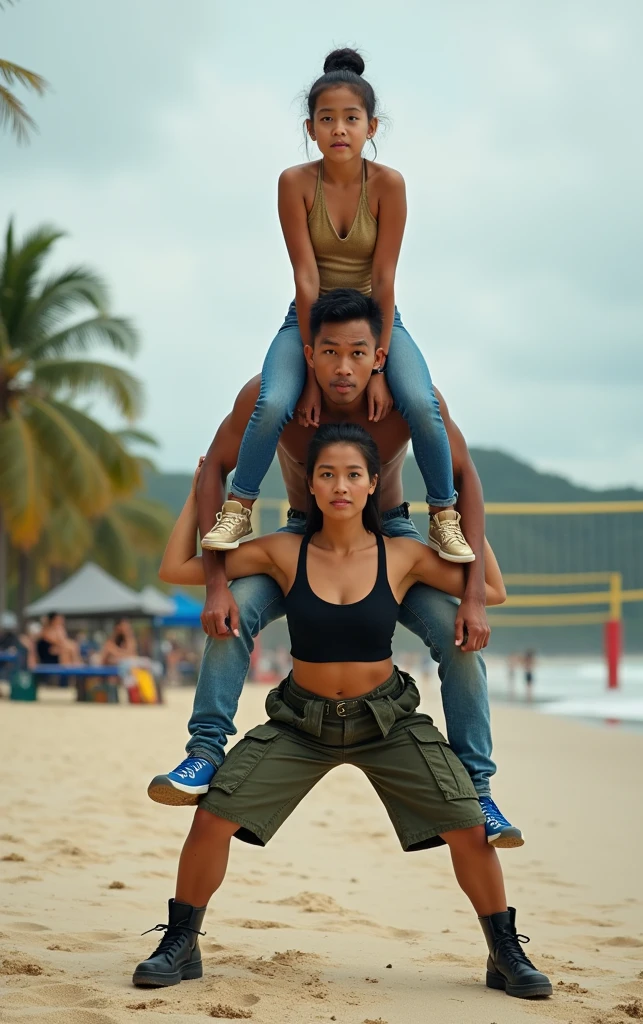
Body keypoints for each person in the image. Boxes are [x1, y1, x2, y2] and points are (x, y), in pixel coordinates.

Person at [134, 423, 551, 1000]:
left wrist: (456, 517)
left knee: (469, 826)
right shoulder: (285, 551)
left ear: (373, 483)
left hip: (387, 721)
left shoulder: (402, 554)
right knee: (211, 817)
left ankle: (505, 952)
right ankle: (181, 941)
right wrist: (200, 491)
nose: (340, 486)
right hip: (300, 722)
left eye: (353, 474)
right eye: (326, 474)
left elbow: (493, 589)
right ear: (310, 484)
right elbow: (177, 569)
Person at [150, 290, 522, 847]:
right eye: (330, 352)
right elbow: (215, 472)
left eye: (357, 352)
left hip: (393, 534)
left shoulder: (408, 402)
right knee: (228, 617)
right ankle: (203, 755)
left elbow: (466, 480)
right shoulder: (274, 400)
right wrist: (216, 588)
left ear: (379, 354)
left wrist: (470, 596)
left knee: (459, 638)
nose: (342, 366)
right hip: (303, 534)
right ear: (307, 353)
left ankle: (479, 790)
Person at [200, 47, 473, 565]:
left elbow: (386, 276)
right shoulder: (295, 183)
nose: (339, 129)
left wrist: (377, 363)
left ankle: (442, 516)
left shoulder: (389, 184)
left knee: (421, 403)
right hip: (309, 318)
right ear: (311, 128)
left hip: (375, 321)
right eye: (327, 119)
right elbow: (305, 275)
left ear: (372, 127)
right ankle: (238, 507)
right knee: (274, 401)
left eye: (351, 119)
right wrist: (309, 361)